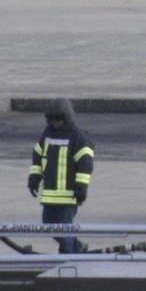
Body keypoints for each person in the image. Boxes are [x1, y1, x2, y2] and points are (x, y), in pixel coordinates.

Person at [27, 98, 94, 254]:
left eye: (58, 120)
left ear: (67, 118)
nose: (55, 124)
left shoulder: (78, 137)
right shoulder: (47, 134)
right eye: (52, 121)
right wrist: (34, 179)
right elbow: (38, 157)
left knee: (64, 229)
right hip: (50, 195)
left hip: (68, 196)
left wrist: (81, 188)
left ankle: (67, 258)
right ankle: (77, 247)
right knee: (49, 226)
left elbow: (85, 165)